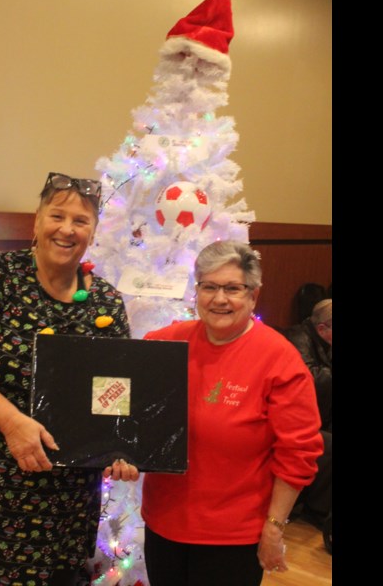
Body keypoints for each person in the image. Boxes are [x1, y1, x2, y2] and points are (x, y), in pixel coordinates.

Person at [0, 172, 139, 586]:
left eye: (80, 221)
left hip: (65, 497)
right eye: (56, 215)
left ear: (93, 232)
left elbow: (117, 390)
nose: (67, 229)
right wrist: (12, 423)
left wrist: (122, 445)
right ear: (36, 222)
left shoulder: (107, 300)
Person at [139, 240, 324, 586]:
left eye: (232, 288)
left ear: (253, 295)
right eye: (208, 286)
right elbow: (131, 411)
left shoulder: (279, 359)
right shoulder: (164, 343)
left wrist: (274, 528)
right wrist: (120, 450)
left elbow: (299, 453)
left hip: (233, 537)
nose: (219, 299)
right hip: (164, 523)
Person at [283, 298, 332, 552]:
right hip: (293, 420)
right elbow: (308, 380)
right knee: (329, 445)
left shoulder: (323, 340)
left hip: (320, 414)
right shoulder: (297, 339)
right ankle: (318, 510)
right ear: (323, 329)